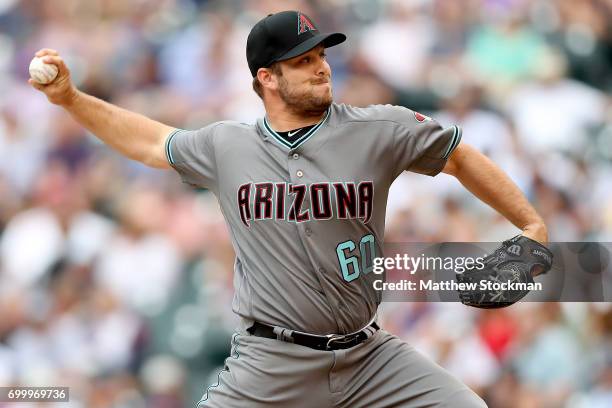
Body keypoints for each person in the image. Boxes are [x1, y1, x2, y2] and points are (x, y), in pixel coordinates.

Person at [31, 10, 548, 408]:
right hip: (271, 362)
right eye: (303, 60)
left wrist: (530, 223)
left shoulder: (378, 128)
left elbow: (457, 155)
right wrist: (72, 98)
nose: (322, 66)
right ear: (268, 78)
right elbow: (150, 143)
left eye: (321, 55)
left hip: (370, 356)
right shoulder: (227, 146)